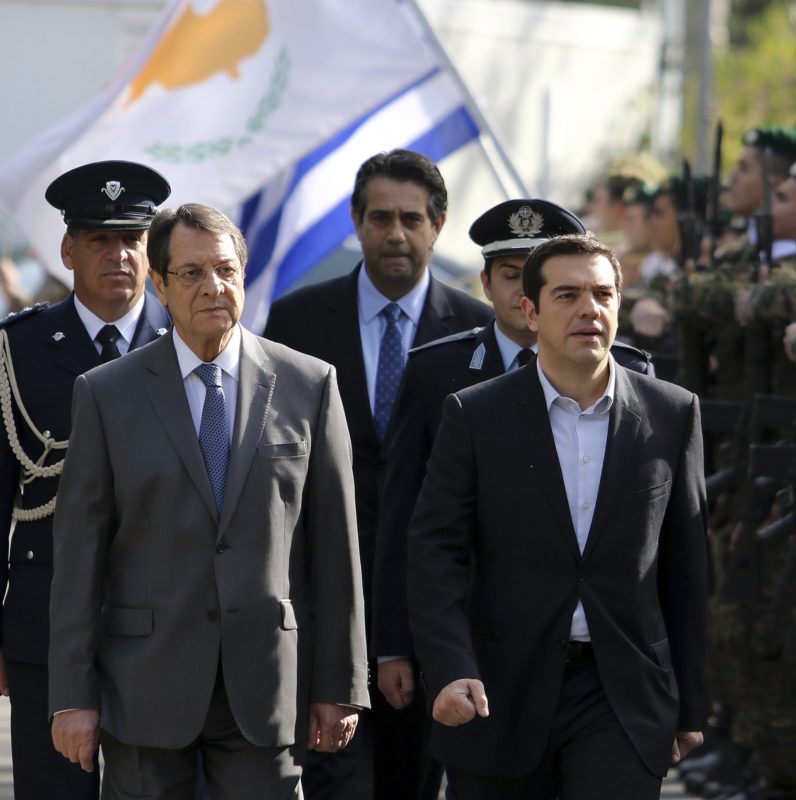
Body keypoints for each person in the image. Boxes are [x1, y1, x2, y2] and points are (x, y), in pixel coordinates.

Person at [48, 203, 369, 797]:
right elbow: (78, 559)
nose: (212, 287)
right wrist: (71, 696)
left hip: (267, 685)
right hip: (144, 685)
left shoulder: (309, 384)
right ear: (160, 285)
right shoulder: (106, 394)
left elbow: (336, 549)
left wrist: (342, 683)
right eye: (192, 273)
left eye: (225, 270)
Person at [407, 234, 707, 799]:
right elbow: (435, 553)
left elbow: (685, 568)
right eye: (567, 295)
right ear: (531, 311)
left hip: (620, 694)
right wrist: (448, 666)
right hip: (499, 691)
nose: (588, 309)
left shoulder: (671, 412)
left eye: (602, 294)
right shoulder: (475, 414)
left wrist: (690, 703)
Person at [262, 148, 493, 799]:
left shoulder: (476, 332)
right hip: (322, 596)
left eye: (412, 219)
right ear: (356, 222)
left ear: (437, 225)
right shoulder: (298, 320)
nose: (396, 234)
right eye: (381, 218)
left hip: (429, 610)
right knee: (333, 780)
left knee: (410, 781)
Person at [372, 199, 652, 713]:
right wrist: (393, 642)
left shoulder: (631, 374)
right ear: (486, 283)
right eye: (510, 274)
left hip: (597, 646)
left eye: (538, 276)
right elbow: (406, 517)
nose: (524, 290)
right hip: (472, 639)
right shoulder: (437, 371)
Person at [0, 160, 172, 799]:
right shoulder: (18, 348)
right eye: (99, 239)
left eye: (131, 239)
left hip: (165, 619)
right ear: (68, 250)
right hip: (45, 621)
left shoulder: (187, 341)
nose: (118, 255)